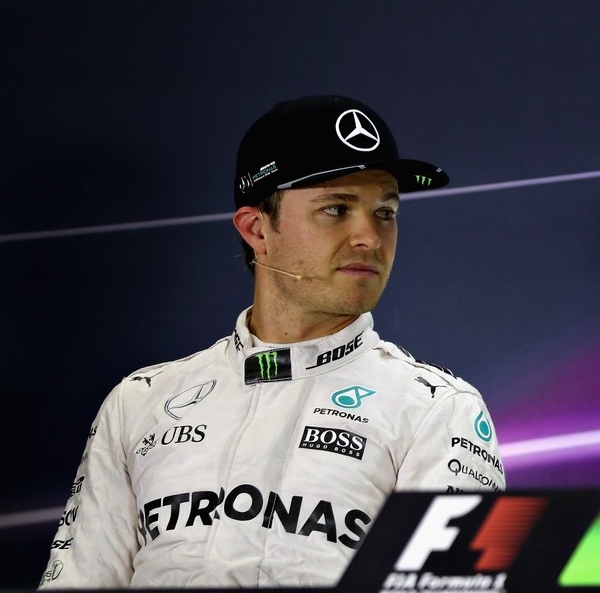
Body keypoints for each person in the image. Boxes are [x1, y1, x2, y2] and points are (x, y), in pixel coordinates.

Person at [39, 95, 506, 588]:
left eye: (385, 213)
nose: (369, 237)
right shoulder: (140, 402)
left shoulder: (439, 411)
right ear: (257, 229)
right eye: (336, 209)